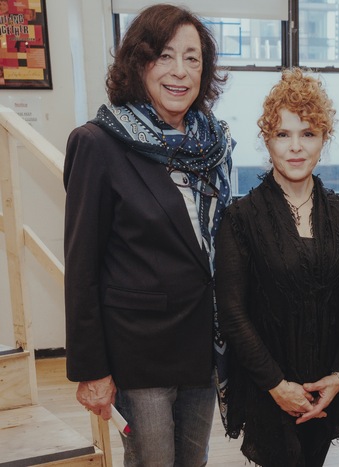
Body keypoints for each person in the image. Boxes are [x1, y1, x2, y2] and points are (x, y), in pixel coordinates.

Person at [63, 4, 234, 466]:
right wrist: (92, 369)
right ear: (139, 63)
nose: (180, 71)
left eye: (193, 58)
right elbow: (82, 267)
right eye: (164, 55)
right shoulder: (98, 143)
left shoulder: (213, 144)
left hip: (201, 343)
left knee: (193, 461)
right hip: (140, 353)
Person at [214, 68, 339, 467]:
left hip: (326, 388)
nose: (296, 147)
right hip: (268, 387)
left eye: (308, 134)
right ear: (267, 140)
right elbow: (232, 314)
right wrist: (278, 386)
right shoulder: (241, 218)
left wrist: (338, 376)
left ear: (323, 140)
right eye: (283, 134)